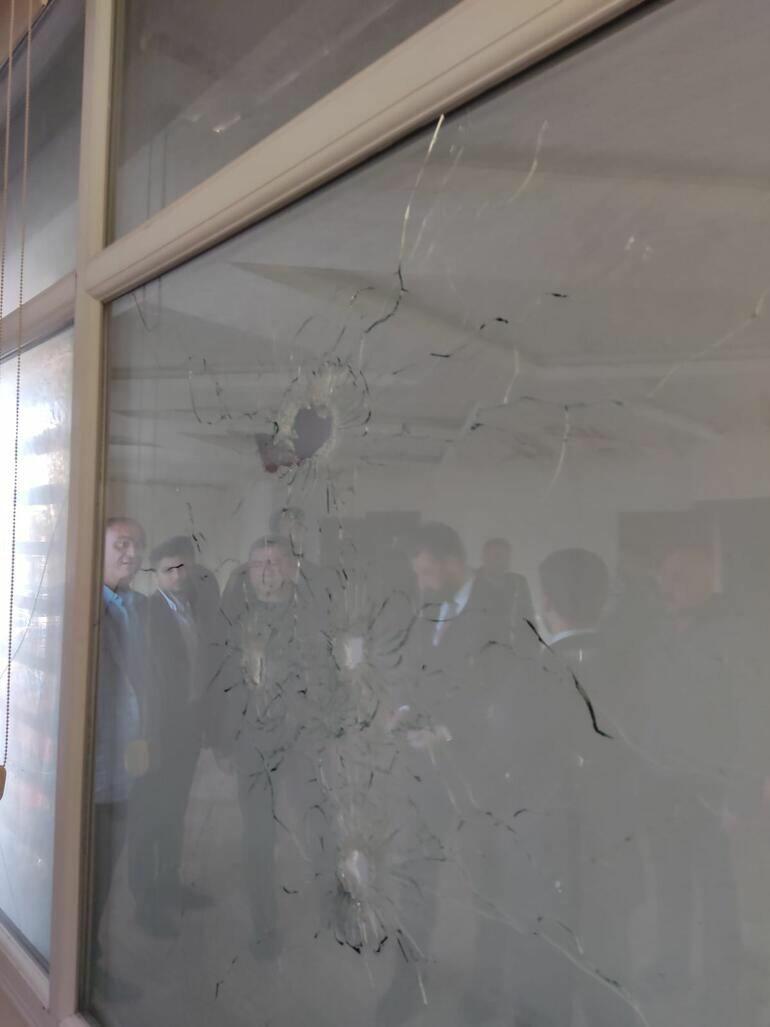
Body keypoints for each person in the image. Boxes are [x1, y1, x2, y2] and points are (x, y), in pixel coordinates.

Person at [216, 536, 335, 959]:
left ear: (291, 568)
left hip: (304, 741)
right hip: (253, 744)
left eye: (275, 562)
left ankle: (332, 907)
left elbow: (331, 674)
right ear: (248, 571)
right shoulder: (234, 619)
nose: (266, 571)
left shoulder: (312, 617)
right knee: (258, 837)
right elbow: (222, 682)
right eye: (258, 564)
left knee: (319, 825)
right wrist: (224, 741)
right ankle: (264, 925)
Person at [131, 536, 215, 929]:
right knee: (148, 815)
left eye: (183, 567)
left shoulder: (196, 608)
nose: (178, 575)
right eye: (168, 570)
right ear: (156, 575)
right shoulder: (148, 614)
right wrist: (148, 736)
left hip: (188, 727)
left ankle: (169, 885)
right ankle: (144, 903)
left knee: (175, 811)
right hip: (157, 732)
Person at [90, 516, 148, 1001]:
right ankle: (84, 972)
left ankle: (91, 957)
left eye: (136, 545)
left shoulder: (133, 606)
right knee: (87, 877)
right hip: (91, 771)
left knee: (105, 872)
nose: (131, 553)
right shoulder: (85, 608)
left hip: (125, 764)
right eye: (122, 544)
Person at [477, 537, 535, 650]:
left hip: (512, 649)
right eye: (497, 556)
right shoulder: (471, 583)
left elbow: (528, 619)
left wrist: (531, 649)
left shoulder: (518, 583)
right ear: (484, 557)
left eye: (506, 558)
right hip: (479, 649)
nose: (502, 562)